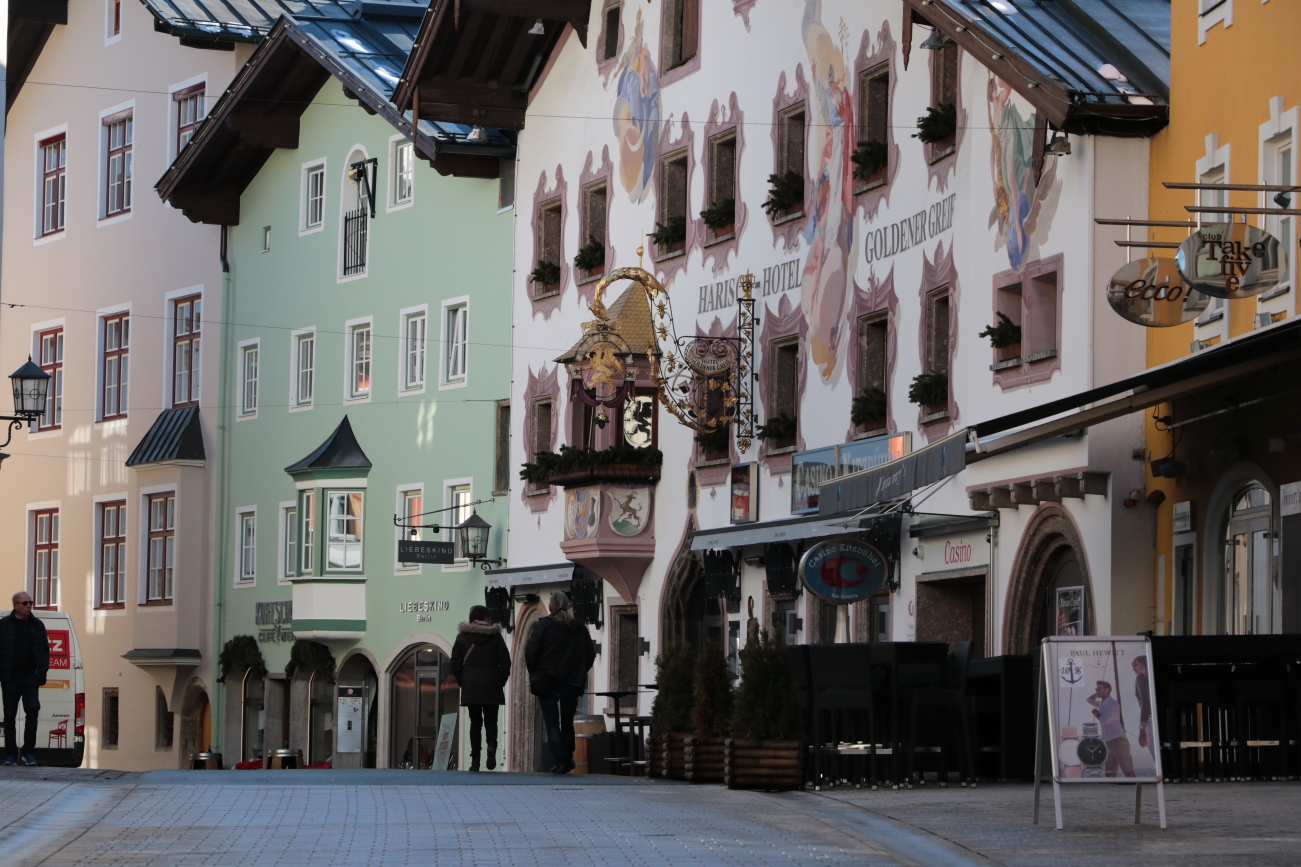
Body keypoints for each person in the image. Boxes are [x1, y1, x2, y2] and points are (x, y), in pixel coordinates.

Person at [525, 591, 595, 774]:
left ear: (550, 606)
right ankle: (568, 756)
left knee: (552, 722)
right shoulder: (579, 627)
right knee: (567, 720)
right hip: (571, 680)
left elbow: (530, 652)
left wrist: (535, 673)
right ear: (567, 605)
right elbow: (590, 655)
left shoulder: (543, 625)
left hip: (547, 679)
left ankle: (560, 760)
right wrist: (579, 672)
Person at [449, 605, 511, 772]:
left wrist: (464, 681)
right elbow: (506, 662)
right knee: (491, 721)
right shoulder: (496, 637)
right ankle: (491, 745)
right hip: (492, 683)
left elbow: (455, 665)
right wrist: (500, 681)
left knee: (475, 723)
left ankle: (475, 761)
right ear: (485, 618)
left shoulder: (462, 637)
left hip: (471, 684)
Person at [0, 592, 50, 766]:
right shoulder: (4, 624)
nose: (29, 605)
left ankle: (28, 752)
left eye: (31, 602)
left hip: (30, 676)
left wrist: (41, 672)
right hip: (10, 677)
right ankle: (11, 754)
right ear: (15, 605)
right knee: (9, 716)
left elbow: (44, 650)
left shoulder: (37, 625)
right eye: (25, 603)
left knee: (33, 710)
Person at [1086, 680, 1135, 777]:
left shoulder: (1113, 704)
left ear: (1107, 690)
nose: (1097, 691)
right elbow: (1089, 700)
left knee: (1128, 771)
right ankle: (1112, 787)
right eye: (1096, 689)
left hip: (1118, 740)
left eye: (1099, 689)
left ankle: (1137, 786)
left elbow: (1106, 721)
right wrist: (1098, 693)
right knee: (1109, 774)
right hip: (1109, 741)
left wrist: (1096, 713)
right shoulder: (1102, 704)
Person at [1132, 655, 1154, 761]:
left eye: (1135, 665)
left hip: (1150, 719)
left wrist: (1142, 730)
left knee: (1155, 754)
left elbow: (1145, 702)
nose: (1134, 668)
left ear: (1142, 664)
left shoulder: (1140, 677)